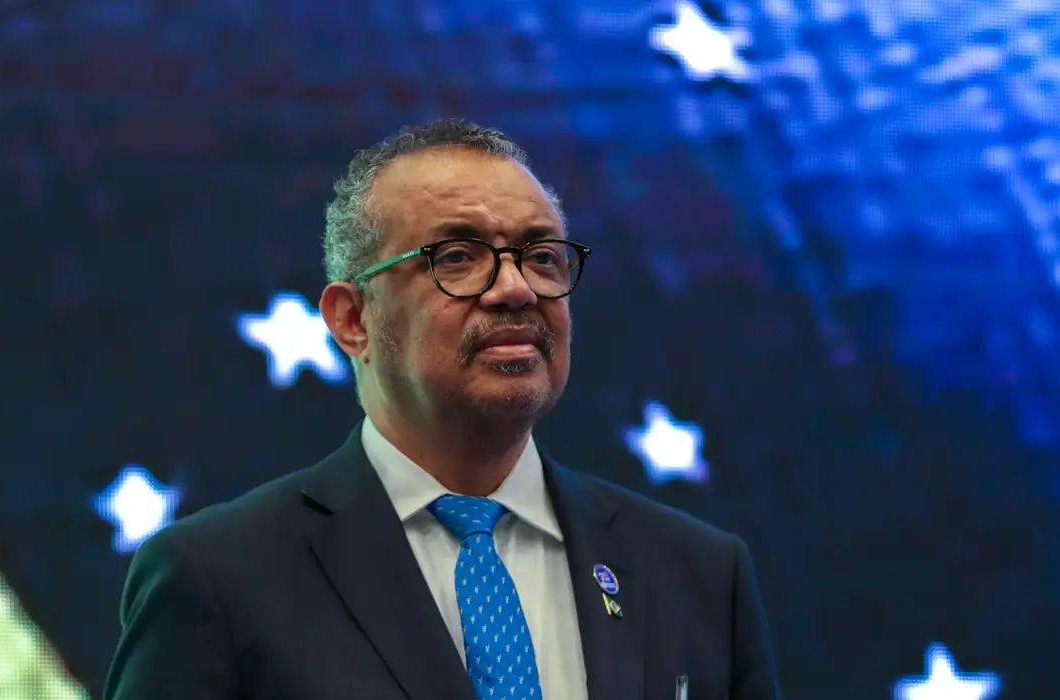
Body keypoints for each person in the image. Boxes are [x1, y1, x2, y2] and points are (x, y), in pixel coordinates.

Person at [104, 118, 781, 700]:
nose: (517, 289)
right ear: (353, 320)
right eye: (458, 257)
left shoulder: (698, 574)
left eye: (543, 257)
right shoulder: (217, 578)